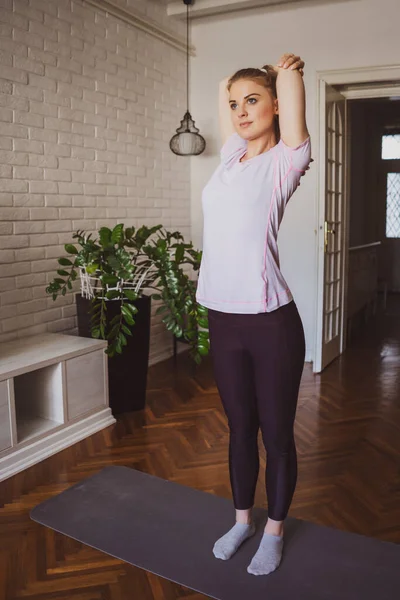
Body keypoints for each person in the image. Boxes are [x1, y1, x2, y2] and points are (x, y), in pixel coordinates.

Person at [195, 53, 312, 576]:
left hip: (271, 323)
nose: (240, 111)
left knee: (276, 433)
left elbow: (286, 89)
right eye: (234, 105)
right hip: (222, 319)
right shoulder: (228, 159)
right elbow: (225, 87)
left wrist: (284, 73)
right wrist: (242, 83)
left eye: (253, 101)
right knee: (240, 428)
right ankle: (243, 520)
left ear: (275, 107)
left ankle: (274, 531)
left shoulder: (287, 160)